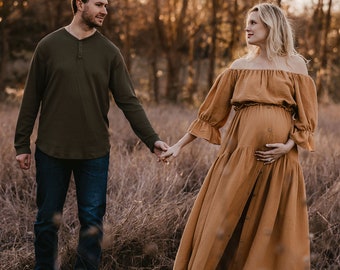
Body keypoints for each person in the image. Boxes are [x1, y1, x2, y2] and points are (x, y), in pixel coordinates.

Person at [161, 3, 318, 270]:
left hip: (279, 161)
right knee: (221, 220)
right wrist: (178, 145)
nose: (248, 27)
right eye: (248, 22)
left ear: (272, 25)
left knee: (271, 226)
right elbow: (210, 115)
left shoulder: (296, 66)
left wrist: (288, 146)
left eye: (254, 22)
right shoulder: (239, 67)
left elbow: (306, 119)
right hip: (239, 154)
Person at [14, 0, 168, 269]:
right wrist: (21, 144)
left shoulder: (110, 52)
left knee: (92, 224)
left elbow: (128, 101)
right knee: (47, 222)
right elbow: (31, 99)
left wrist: (151, 138)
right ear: (79, 3)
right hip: (52, 151)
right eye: (99, 4)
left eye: (106, 5)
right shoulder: (48, 46)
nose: (105, 11)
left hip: (94, 153)